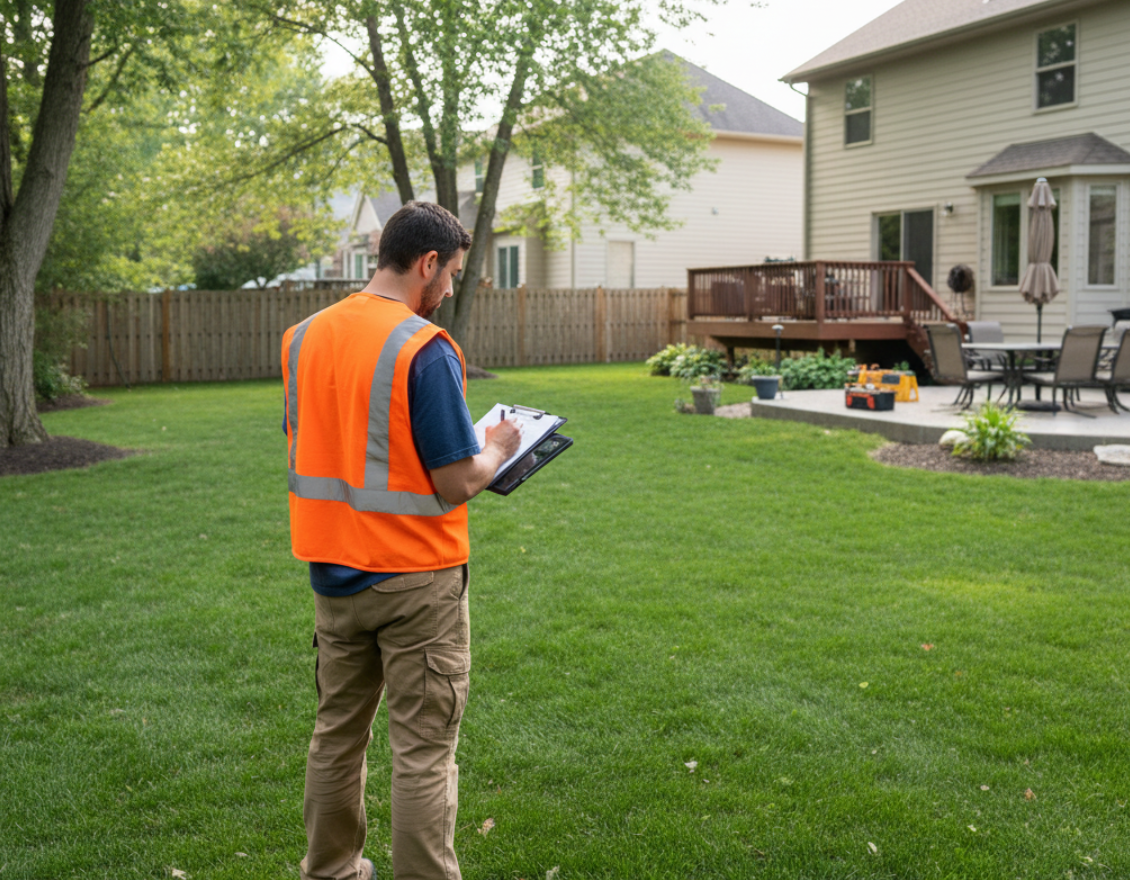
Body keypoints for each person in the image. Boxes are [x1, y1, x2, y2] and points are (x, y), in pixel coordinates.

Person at [282, 201, 520, 880]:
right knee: (422, 751)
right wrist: (497, 447)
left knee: (336, 735)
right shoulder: (423, 346)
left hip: (333, 574)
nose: (449, 288)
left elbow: (330, 444)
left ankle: (329, 870)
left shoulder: (302, 338)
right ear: (426, 263)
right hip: (416, 578)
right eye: (450, 274)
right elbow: (455, 479)